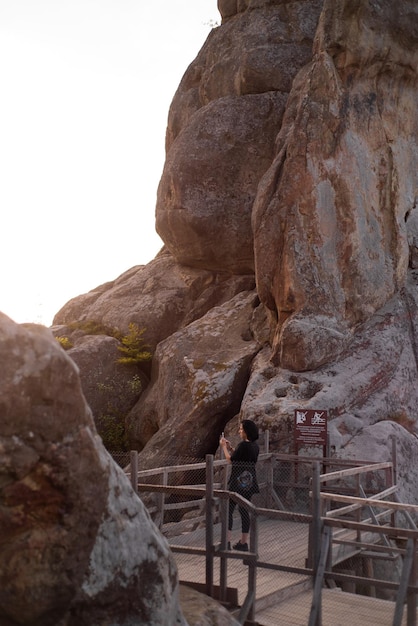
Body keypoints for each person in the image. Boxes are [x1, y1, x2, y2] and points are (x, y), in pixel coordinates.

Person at [219, 419, 259, 552]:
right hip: (249, 482)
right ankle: (243, 542)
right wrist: (231, 448)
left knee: (228, 511)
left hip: (238, 482)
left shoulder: (243, 445)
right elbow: (242, 456)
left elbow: (231, 460)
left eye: (241, 429)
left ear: (246, 431)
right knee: (244, 511)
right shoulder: (255, 446)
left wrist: (224, 448)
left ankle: (226, 542)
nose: (239, 431)